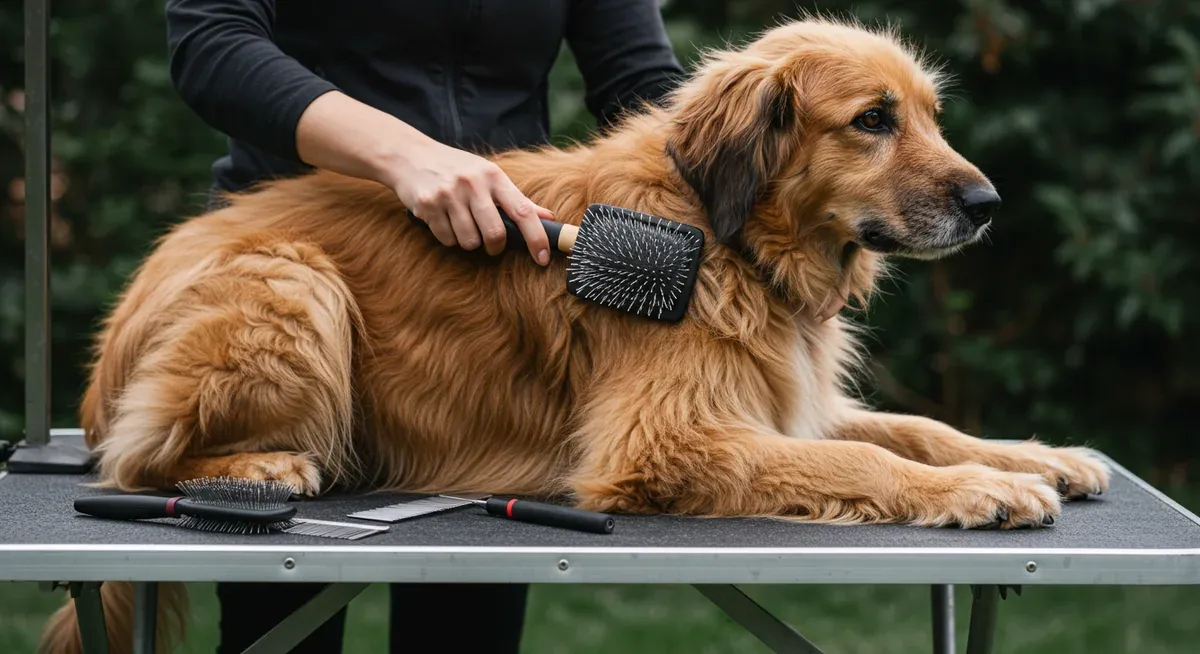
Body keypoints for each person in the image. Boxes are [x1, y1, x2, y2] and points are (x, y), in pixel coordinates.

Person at [163, 1, 684, 652]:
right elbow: (214, 45)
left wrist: (775, 220)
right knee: (283, 635)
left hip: (497, 314)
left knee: (467, 635)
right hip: (294, 274)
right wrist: (405, 155)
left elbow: (642, 86)